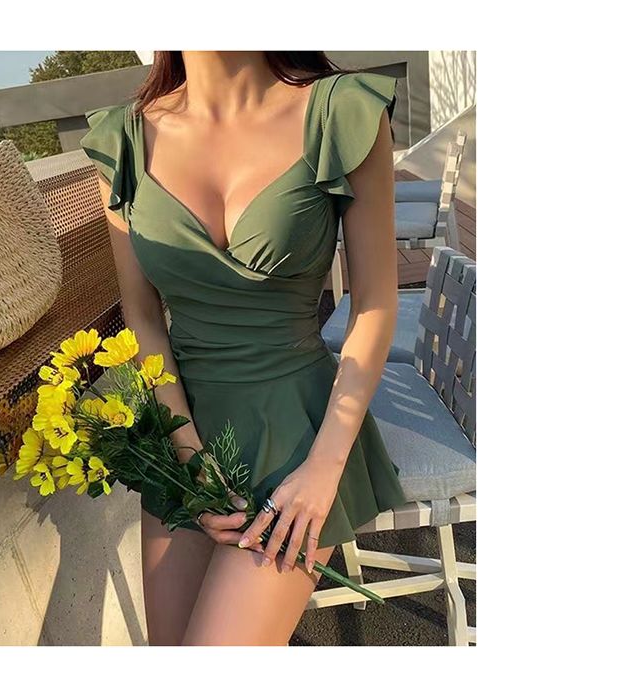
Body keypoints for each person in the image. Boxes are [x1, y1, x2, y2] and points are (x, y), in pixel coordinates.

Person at [79, 50, 407, 646]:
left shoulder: (340, 112)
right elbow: (143, 317)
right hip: (184, 434)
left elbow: (375, 305)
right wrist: (187, 457)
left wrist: (324, 467)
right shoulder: (123, 140)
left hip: (298, 434)